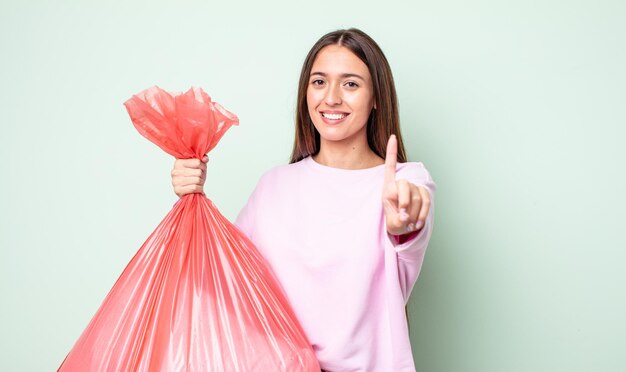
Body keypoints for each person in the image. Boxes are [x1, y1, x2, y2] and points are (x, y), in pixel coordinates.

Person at [170, 28, 436, 372]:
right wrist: (191, 199)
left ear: (376, 98)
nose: (332, 98)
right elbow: (219, 281)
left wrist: (405, 218)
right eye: (319, 82)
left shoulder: (404, 181)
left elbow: (411, 217)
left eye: (351, 84)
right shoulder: (274, 186)